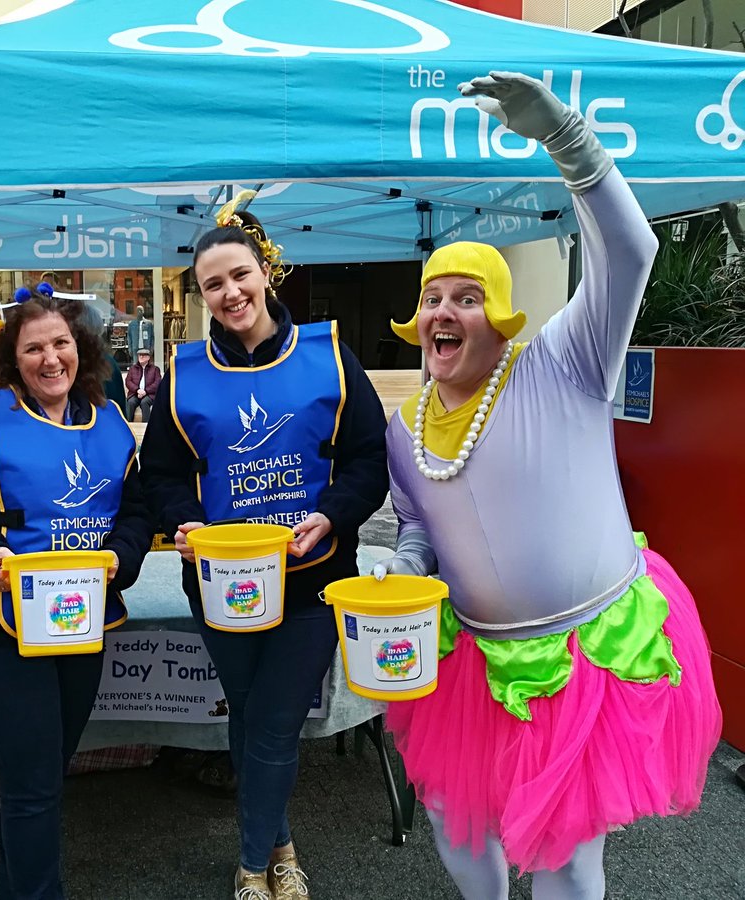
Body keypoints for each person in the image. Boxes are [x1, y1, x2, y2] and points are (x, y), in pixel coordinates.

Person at [375, 72, 721, 899]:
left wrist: (567, 139)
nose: (443, 312)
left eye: (467, 297)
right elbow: (418, 522)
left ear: (500, 317)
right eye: (431, 298)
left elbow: (633, 252)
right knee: (457, 824)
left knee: (567, 851)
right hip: (471, 660)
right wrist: (404, 564)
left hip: (583, 653)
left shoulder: (565, 364)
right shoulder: (405, 423)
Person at [138, 198, 389, 900]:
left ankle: (252, 864)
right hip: (221, 582)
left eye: (239, 275)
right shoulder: (184, 373)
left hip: (312, 578)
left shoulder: (329, 356)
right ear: (201, 295)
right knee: (248, 715)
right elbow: (159, 472)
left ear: (265, 274)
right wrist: (182, 521)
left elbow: (370, 458)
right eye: (212, 284)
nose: (230, 293)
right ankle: (279, 842)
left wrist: (333, 516)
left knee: (274, 722)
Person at [0, 283, 154, 899]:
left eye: (62, 344)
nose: (51, 360)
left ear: (82, 348)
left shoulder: (107, 416)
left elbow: (136, 510)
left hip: (81, 621)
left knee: (44, 776)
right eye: (34, 349)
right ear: (10, 358)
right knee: (32, 784)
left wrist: (122, 557)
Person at [124, 346, 160, 423]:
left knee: (144, 402)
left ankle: (146, 427)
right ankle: (128, 425)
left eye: (143, 355)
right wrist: (137, 390)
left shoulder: (155, 369)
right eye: (139, 355)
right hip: (135, 393)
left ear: (148, 357)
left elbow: (157, 383)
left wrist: (145, 391)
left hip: (149, 395)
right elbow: (128, 381)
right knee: (130, 402)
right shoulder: (133, 368)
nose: (141, 356)